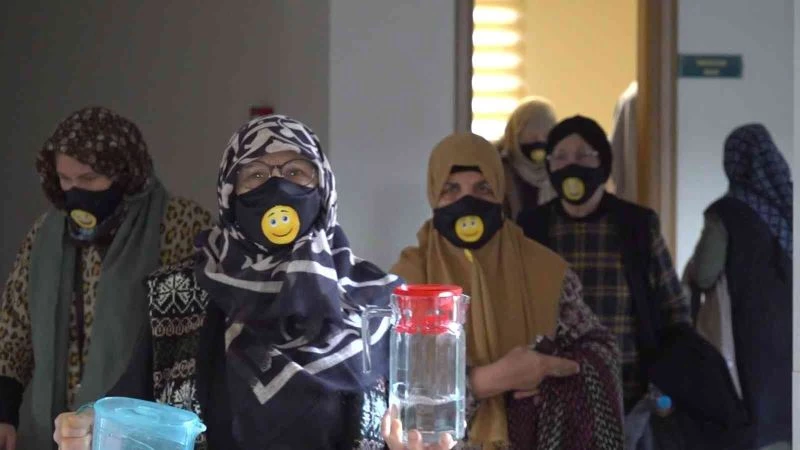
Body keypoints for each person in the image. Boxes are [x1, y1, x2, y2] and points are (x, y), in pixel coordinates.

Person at [53, 115, 453, 450]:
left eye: (295, 172)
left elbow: (423, 418)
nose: (276, 189)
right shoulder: (177, 294)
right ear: (229, 195)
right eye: (256, 175)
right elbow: (128, 407)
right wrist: (89, 426)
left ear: (324, 190)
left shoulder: (379, 300)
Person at [392, 132, 624, 449]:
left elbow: (602, 352)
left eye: (483, 188)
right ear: (434, 195)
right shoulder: (407, 281)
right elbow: (394, 394)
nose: (468, 202)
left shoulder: (545, 270)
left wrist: (549, 372)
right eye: (451, 189)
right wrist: (487, 381)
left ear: (500, 192)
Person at [0, 107, 212, 450]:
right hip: (58, 431)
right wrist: (4, 409)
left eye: (89, 179)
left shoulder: (177, 224)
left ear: (124, 173)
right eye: (65, 179)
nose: (75, 192)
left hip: (138, 431)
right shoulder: (47, 235)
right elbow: (15, 325)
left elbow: (194, 339)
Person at [516, 115, 690, 448]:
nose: (572, 166)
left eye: (584, 155)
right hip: (554, 391)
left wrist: (668, 377)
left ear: (603, 163)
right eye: (560, 157)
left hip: (630, 393)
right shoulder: (531, 226)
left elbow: (674, 309)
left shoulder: (637, 224)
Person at [688, 124, 791, 450]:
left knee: (748, 415)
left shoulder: (728, 212)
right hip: (789, 333)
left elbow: (704, 274)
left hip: (746, 331)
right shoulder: (788, 208)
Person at [496, 96, 560, 219]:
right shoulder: (498, 171)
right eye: (531, 134)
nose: (540, 140)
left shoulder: (561, 169)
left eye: (546, 134)